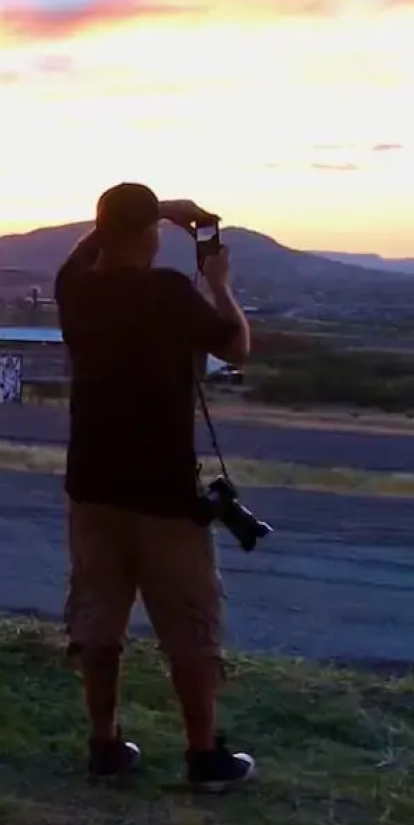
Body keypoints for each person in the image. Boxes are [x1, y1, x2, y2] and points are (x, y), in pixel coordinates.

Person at [53, 182, 255, 793]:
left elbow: (81, 256)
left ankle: (105, 744)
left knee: (98, 618)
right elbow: (236, 347)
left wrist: (148, 215)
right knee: (190, 622)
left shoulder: (76, 291)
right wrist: (218, 281)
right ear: (150, 238)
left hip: (91, 486)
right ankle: (201, 756)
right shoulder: (169, 293)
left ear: (101, 230)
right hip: (164, 492)